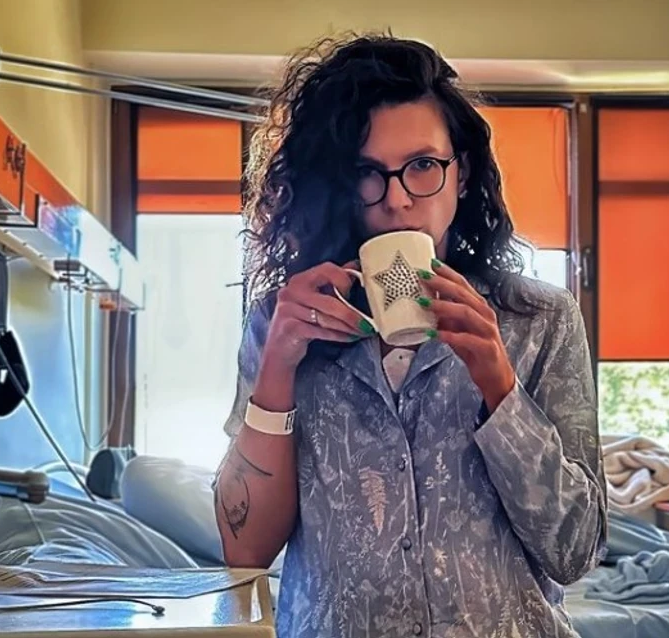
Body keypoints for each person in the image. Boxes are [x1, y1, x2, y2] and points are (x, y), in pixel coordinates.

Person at [214, 32, 607, 638]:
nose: (396, 200)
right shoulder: (282, 323)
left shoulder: (540, 320)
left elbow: (575, 551)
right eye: (367, 172)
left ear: (462, 173)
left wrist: (499, 388)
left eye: (422, 165)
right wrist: (276, 370)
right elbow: (245, 550)